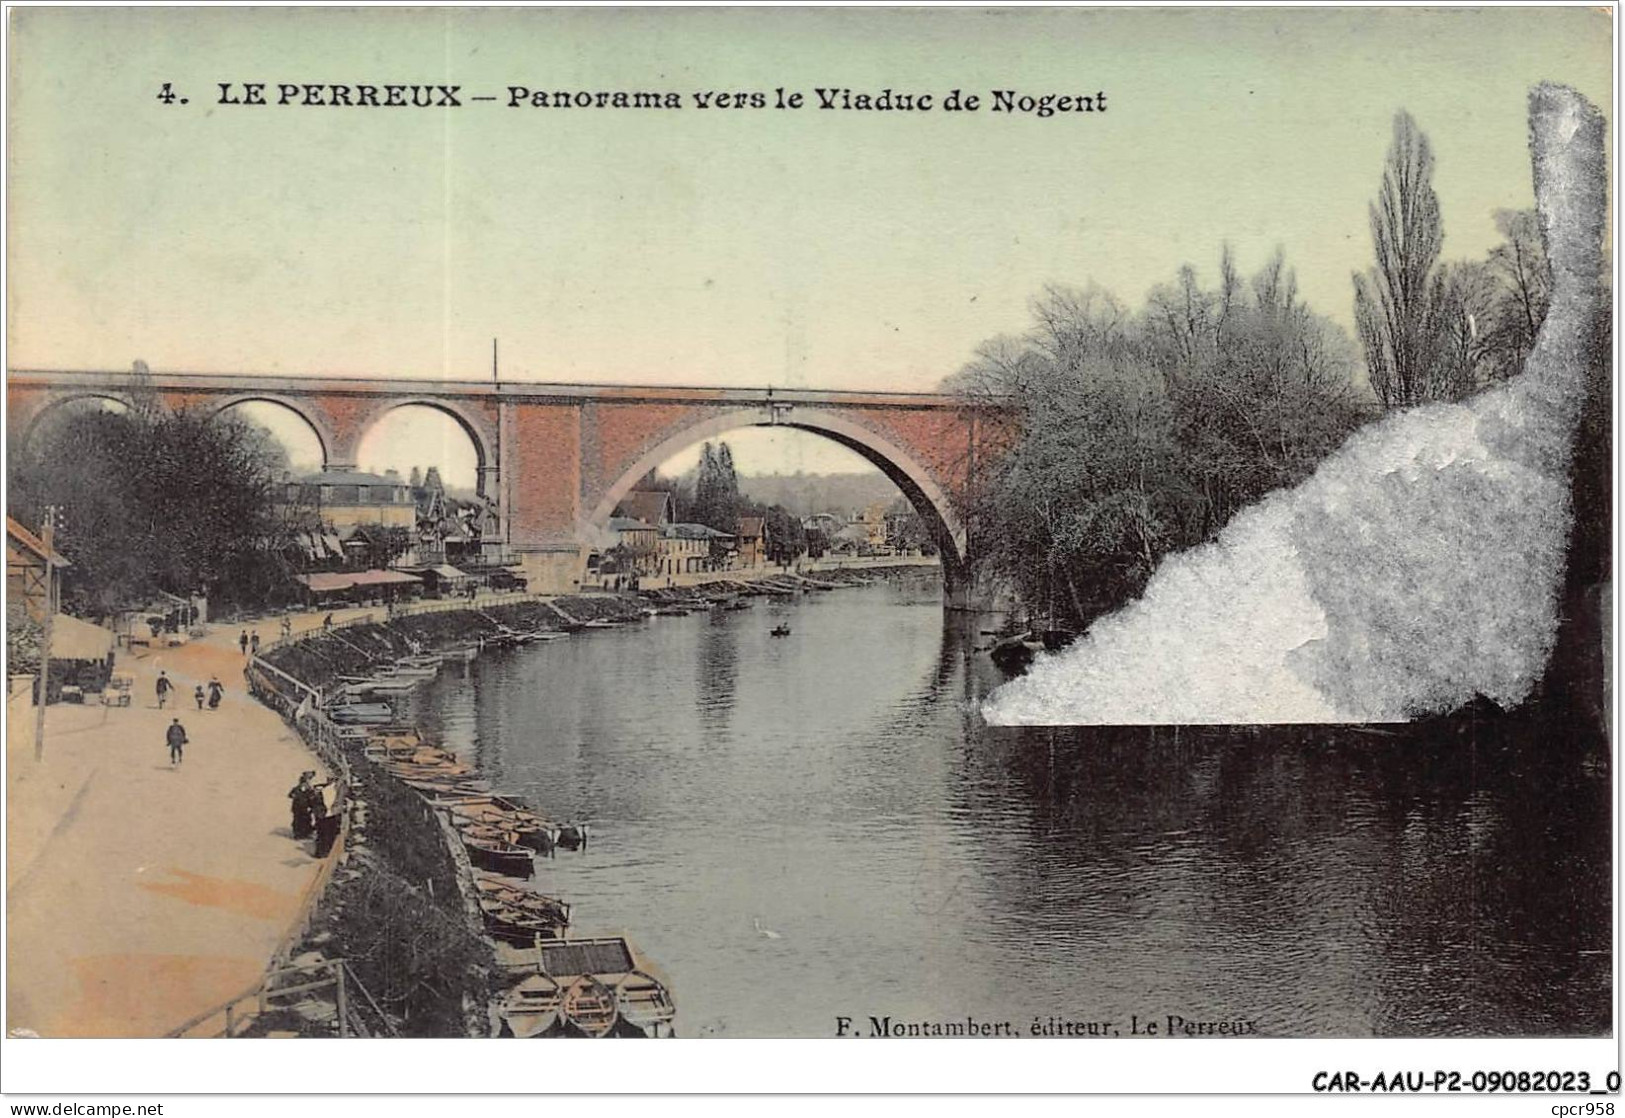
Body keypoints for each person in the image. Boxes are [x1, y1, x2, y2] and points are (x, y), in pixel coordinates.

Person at [288, 771, 322, 839]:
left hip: (306, 807)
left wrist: (311, 805)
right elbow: (290, 795)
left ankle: (305, 833)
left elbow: (311, 798)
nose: (306, 784)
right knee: (298, 820)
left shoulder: (310, 789)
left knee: (306, 820)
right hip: (298, 807)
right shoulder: (297, 788)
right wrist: (294, 795)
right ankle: (298, 834)